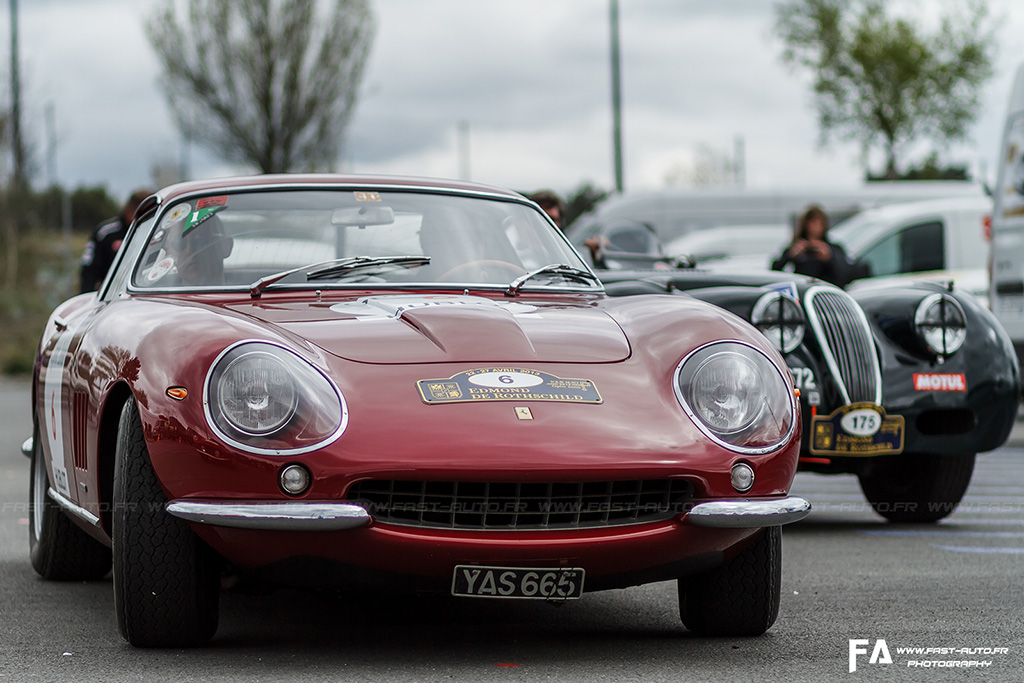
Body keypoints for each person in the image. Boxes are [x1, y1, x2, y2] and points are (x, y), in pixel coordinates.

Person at [79, 188, 153, 292]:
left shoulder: (156, 232)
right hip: (111, 295)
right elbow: (89, 270)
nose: (145, 219)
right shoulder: (106, 233)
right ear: (129, 210)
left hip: (147, 293)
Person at [771, 204, 853, 287]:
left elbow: (845, 276)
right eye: (812, 223)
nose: (815, 228)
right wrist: (789, 255)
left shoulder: (833, 249)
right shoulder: (796, 247)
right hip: (802, 290)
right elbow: (774, 271)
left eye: (818, 223)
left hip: (825, 291)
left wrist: (829, 259)